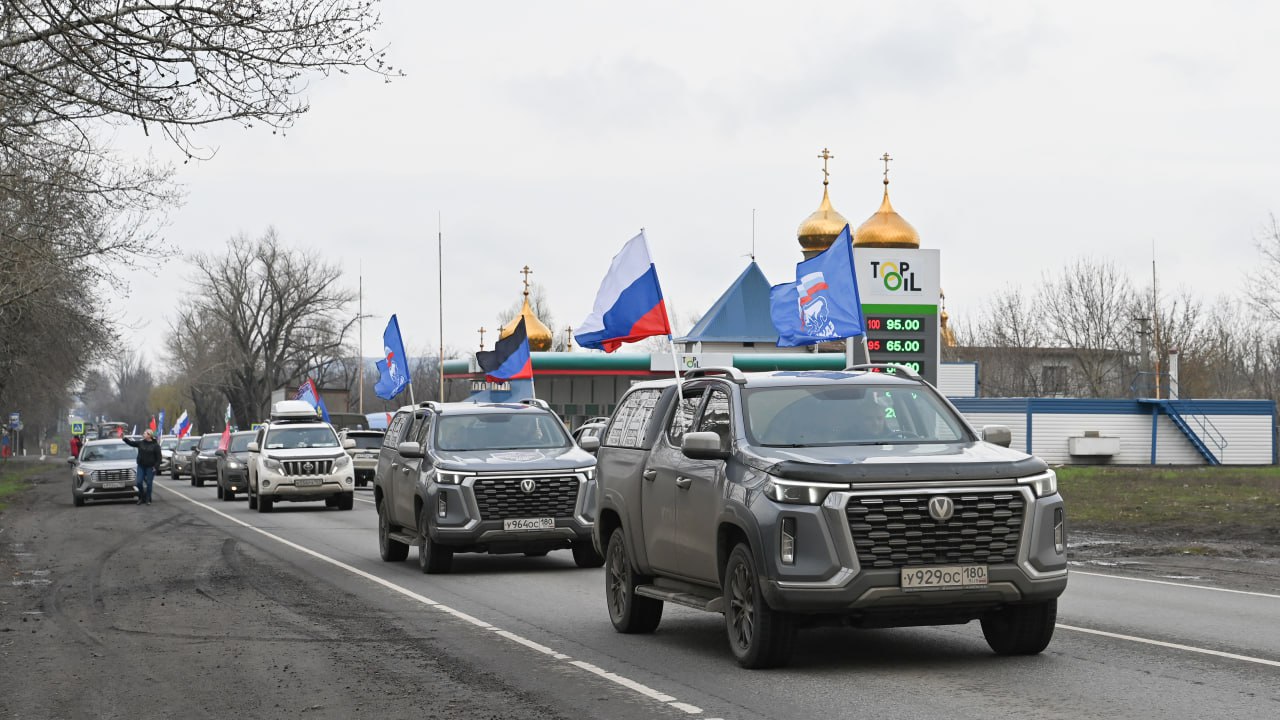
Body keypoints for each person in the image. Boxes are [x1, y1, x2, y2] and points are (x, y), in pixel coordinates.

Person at [122, 429, 162, 505]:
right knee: (139, 482)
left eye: (145, 433)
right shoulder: (141, 443)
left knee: (149, 483)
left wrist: (155, 467)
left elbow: (159, 458)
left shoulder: (155, 445)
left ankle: (148, 499)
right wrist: (124, 438)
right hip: (141, 466)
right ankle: (141, 496)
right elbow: (131, 443)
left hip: (150, 467)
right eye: (144, 433)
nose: (143, 434)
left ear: (149, 435)